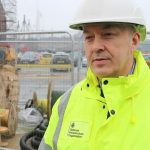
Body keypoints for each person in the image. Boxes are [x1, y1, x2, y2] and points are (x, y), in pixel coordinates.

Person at [39, 0, 150, 149]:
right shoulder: (66, 103)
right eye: (89, 37)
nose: (96, 47)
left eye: (108, 34)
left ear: (134, 41)